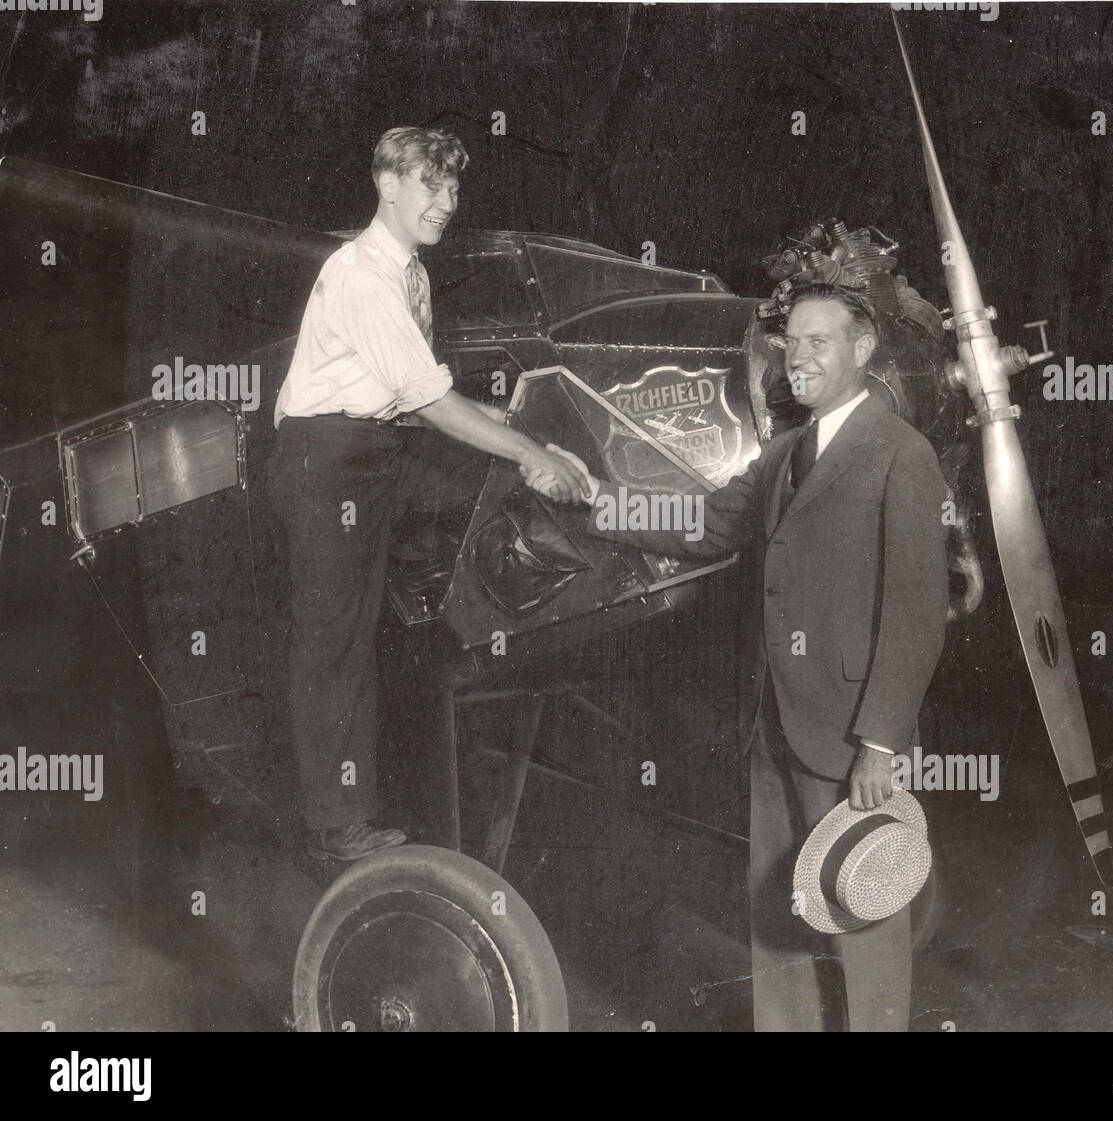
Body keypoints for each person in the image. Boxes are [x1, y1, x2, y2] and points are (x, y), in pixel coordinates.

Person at [530, 284, 949, 1030]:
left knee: (866, 905)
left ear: (863, 350)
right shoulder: (786, 450)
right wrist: (595, 495)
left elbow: (917, 613)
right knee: (782, 905)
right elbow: (702, 522)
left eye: (820, 340)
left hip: (852, 734)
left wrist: (881, 740)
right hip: (775, 721)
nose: (800, 356)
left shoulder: (902, 454)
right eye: (791, 341)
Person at [271, 126, 587, 861]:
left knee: (489, 483)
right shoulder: (362, 277)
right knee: (333, 641)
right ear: (387, 183)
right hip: (327, 458)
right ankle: (334, 828)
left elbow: (420, 398)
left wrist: (527, 439)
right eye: (429, 185)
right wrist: (530, 448)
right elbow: (435, 402)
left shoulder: (409, 271)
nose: (446, 202)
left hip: (379, 448)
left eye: (452, 188)